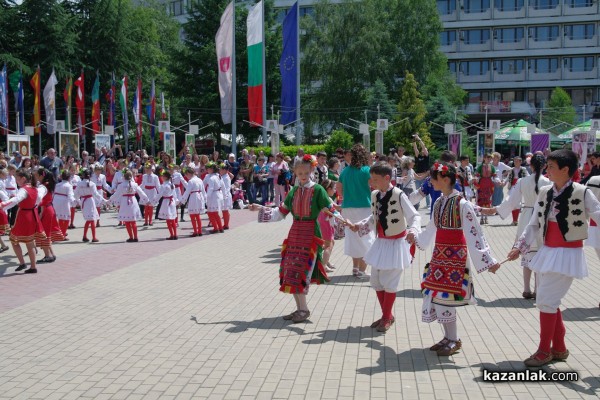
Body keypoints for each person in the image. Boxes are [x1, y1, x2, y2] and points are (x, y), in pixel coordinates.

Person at [505, 149, 600, 367]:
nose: (546, 170)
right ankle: (558, 347)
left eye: (551, 167)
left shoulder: (582, 192)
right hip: (546, 250)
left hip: (568, 253)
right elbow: (534, 224)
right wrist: (519, 246)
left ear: (565, 170)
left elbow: (598, 214)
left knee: (546, 300)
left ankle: (544, 350)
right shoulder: (545, 191)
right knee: (548, 300)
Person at [406, 162, 500, 356]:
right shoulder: (439, 202)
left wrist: (488, 261)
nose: (431, 181)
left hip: (456, 257)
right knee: (438, 297)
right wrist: (416, 238)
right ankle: (449, 338)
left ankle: (454, 339)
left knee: (445, 298)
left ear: (446, 179)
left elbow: (475, 233)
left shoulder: (462, 204)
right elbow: (431, 228)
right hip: (439, 256)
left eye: (434, 178)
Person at [249, 154, 338, 323]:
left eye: (305, 172)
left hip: (310, 234)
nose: (303, 176)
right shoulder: (294, 191)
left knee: (301, 270)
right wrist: (259, 208)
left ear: (311, 170)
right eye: (299, 173)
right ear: (295, 174)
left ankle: (303, 309)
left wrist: (344, 220)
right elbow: (280, 213)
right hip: (295, 233)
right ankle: (300, 309)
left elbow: (330, 208)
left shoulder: (318, 190)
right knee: (291, 270)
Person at [350, 162, 421, 332]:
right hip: (381, 243)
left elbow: (415, 216)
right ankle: (387, 315)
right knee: (375, 280)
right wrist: (359, 225)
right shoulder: (375, 195)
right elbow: (373, 218)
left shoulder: (399, 194)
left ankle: (386, 317)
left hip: (397, 244)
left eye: (375, 179)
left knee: (389, 282)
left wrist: (413, 230)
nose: (371, 183)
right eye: (371, 179)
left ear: (387, 178)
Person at [481, 154, 551, 299]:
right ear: (544, 166)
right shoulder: (548, 182)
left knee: (526, 253)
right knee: (539, 254)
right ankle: (538, 290)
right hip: (542, 218)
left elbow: (511, 200)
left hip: (526, 216)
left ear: (530, 166)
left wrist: (497, 209)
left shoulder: (522, 181)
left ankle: (526, 288)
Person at [336, 144, 375, 278]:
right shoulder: (366, 170)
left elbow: (338, 187)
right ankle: (363, 271)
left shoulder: (345, 171)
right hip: (364, 207)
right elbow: (375, 185)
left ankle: (355, 268)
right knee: (366, 237)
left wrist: (345, 197)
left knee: (353, 238)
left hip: (347, 208)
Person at [0, 168, 47, 273]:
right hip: (33, 215)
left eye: (17, 178)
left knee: (13, 240)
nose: (16, 180)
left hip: (24, 216)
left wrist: (2, 205)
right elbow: (41, 193)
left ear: (23, 178)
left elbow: (16, 200)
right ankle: (33, 266)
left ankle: (22, 263)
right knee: (29, 242)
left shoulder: (23, 189)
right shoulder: (35, 188)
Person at [110, 169, 149, 242]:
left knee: (127, 221)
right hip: (133, 201)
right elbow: (141, 193)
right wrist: (147, 200)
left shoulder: (121, 185)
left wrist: (109, 200)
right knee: (133, 221)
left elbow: (116, 194)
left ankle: (131, 237)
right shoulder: (135, 184)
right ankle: (136, 237)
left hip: (125, 201)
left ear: (124, 177)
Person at [34, 168, 64, 263]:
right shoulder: (48, 184)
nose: (36, 176)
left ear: (41, 176)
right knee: (46, 232)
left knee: (43, 233)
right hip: (49, 208)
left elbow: (40, 199)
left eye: (37, 175)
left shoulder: (43, 186)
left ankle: (47, 255)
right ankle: (51, 253)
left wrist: (40, 213)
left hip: (45, 209)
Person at [74, 169, 103, 242]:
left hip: (84, 201)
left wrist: (79, 201)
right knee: (92, 219)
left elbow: (75, 194)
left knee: (88, 220)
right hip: (90, 201)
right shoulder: (92, 184)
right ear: (89, 176)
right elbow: (96, 194)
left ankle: (84, 236)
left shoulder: (79, 184)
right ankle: (93, 237)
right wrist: (104, 200)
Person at [153, 170, 180, 240]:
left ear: (165, 177)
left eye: (162, 176)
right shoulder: (172, 184)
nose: (161, 177)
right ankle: (175, 234)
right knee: (173, 219)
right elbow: (175, 195)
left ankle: (172, 235)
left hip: (166, 202)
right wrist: (176, 202)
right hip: (172, 201)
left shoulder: (164, 185)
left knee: (168, 219)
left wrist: (154, 201)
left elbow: (160, 195)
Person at [181, 167, 207, 236]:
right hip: (199, 196)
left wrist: (183, 201)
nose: (186, 177)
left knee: (192, 215)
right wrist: (205, 199)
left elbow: (187, 191)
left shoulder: (191, 181)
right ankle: (200, 231)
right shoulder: (199, 180)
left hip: (194, 197)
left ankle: (196, 231)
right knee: (197, 215)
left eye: (186, 175)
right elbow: (203, 190)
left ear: (189, 173)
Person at [474, 153, 496, 224]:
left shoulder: (492, 167)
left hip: (489, 184)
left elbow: (494, 175)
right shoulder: (480, 166)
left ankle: (486, 217)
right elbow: (477, 175)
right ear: (484, 158)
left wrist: (498, 181)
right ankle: (481, 217)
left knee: (488, 200)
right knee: (481, 201)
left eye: (490, 158)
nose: (489, 159)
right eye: (487, 158)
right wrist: (476, 179)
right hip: (482, 184)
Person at [507, 156, 529, 225]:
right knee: (512, 203)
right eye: (514, 161)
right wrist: (503, 183)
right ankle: (514, 220)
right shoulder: (511, 169)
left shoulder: (523, 169)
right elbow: (508, 178)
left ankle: (515, 220)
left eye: (517, 161)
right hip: (512, 186)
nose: (515, 162)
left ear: (520, 162)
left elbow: (528, 176)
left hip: (520, 187)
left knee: (517, 204)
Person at [54, 169, 76, 238]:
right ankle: (62, 234)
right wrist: (74, 202)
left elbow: (53, 193)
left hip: (56, 201)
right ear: (69, 178)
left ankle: (59, 233)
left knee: (60, 217)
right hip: (64, 202)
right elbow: (70, 196)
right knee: (66, 219)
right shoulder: (69, 186)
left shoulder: (57, 184)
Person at [205, 162, 225, 234]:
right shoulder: (218, 176)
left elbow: (210, 189)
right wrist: (224, 195)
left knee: (211, 212)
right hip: (218, 194)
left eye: (208, 168)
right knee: (215, 212)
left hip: (213, 196)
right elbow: (223, 186)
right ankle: (219, 227)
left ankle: (217, 228)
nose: (207, 169)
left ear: (212, 169)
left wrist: (206, 198)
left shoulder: (211, 178)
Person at [219, 163, 233, 230]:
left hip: (225, 195)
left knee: (225, 210)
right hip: (223, 195)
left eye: (221, 169)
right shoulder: (223, 176)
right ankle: (225, 224)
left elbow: (227, 188)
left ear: (225, 170)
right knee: (224, 210)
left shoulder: (226, 178)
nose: (220, 170)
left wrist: (224, 195)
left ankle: (226, 225)